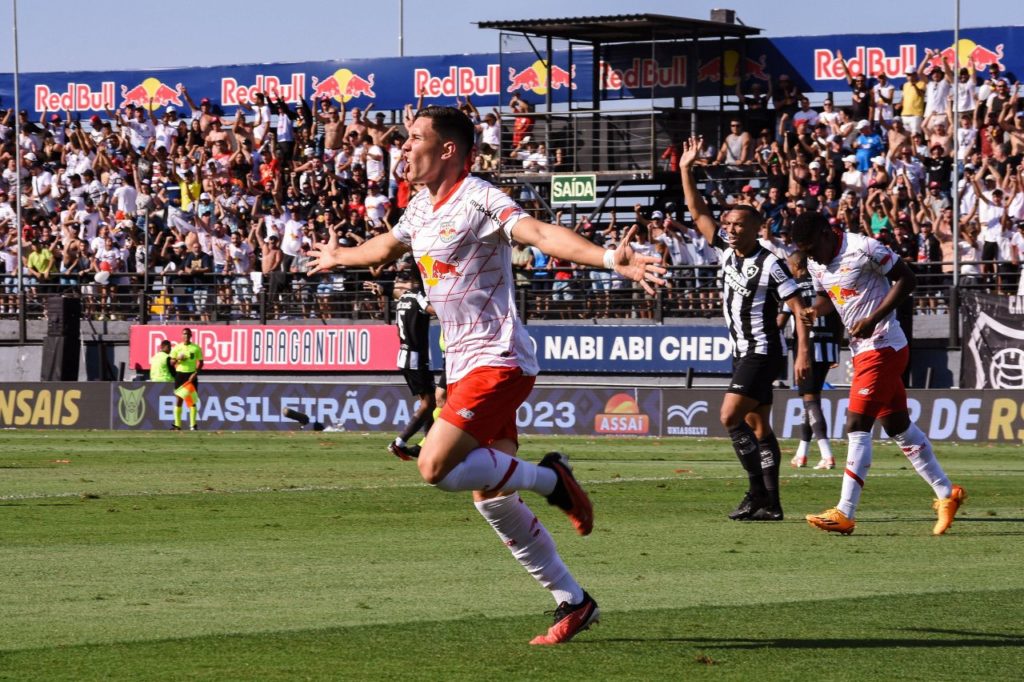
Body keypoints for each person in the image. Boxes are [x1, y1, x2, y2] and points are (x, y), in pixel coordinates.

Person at [308, 106, 665, 645]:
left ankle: (551, 480)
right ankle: (574, 600)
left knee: (435, 467)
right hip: (464, 364)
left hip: (498, 359)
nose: (403, 148)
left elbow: (538, 232)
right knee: (492, 498)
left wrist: (606, 259)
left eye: (414, 139)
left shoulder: (478, 196)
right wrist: (342, 256)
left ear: (447, 149)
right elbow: (386, 247)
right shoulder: (421, 206)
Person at [791, 212, 966, 536]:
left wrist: (873, 317)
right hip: (862, 350)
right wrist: (815, 310)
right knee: (898, 426)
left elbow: (907, 279)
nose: (810, 255)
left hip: (884, 344)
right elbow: (828, 296)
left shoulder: (864, 248)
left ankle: (845, 512)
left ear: (828, 233)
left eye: (812, 246)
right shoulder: (815, 261)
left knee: (857, 424)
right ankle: (946, 493)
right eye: (804, 249)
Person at [679, 135, 812, 523]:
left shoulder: (771, 263)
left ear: (758, 228)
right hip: (741, 351)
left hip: (763, 349)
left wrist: (803, 351)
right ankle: (772, 503)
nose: (731, 229)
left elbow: (798, 308)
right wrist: (687, 169)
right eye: (728, 224)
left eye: (739, 224)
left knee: (729, 417)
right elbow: (695, 207)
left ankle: (755, 492)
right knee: (758, 427)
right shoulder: (724, 251)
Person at [779, 252, 840, 470]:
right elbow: (839, 314)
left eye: (789, 265)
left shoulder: (793, 288)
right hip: (829, 346)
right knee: (810, 399)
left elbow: (781, 320)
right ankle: (802, 454)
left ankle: (826, 454)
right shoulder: (824, 283)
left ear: (796, 265)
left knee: (811, 400)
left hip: (807, 348)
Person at [389, 270, 435, 461]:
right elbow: (431, 310)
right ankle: (399, 442)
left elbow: (395, 293)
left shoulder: (403, 298)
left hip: (404, 356)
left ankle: (430, 443)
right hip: (415, 357)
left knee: (429, 402)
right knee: (428, 403)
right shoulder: (419, 296)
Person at [170, 328, 204, 431]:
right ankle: (177, 425)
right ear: (182, 335)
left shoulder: (196, 348)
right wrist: (178, 359)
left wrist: (195, 373)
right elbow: (171, 362)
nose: (186, 336)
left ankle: (193, 425)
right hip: (180, 375)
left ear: (191, 336)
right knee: (179, 399)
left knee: (191, 400)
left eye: (188, 334)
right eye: (184, 334)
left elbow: (201, 362)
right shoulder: (177, 348)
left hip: (191, 375)